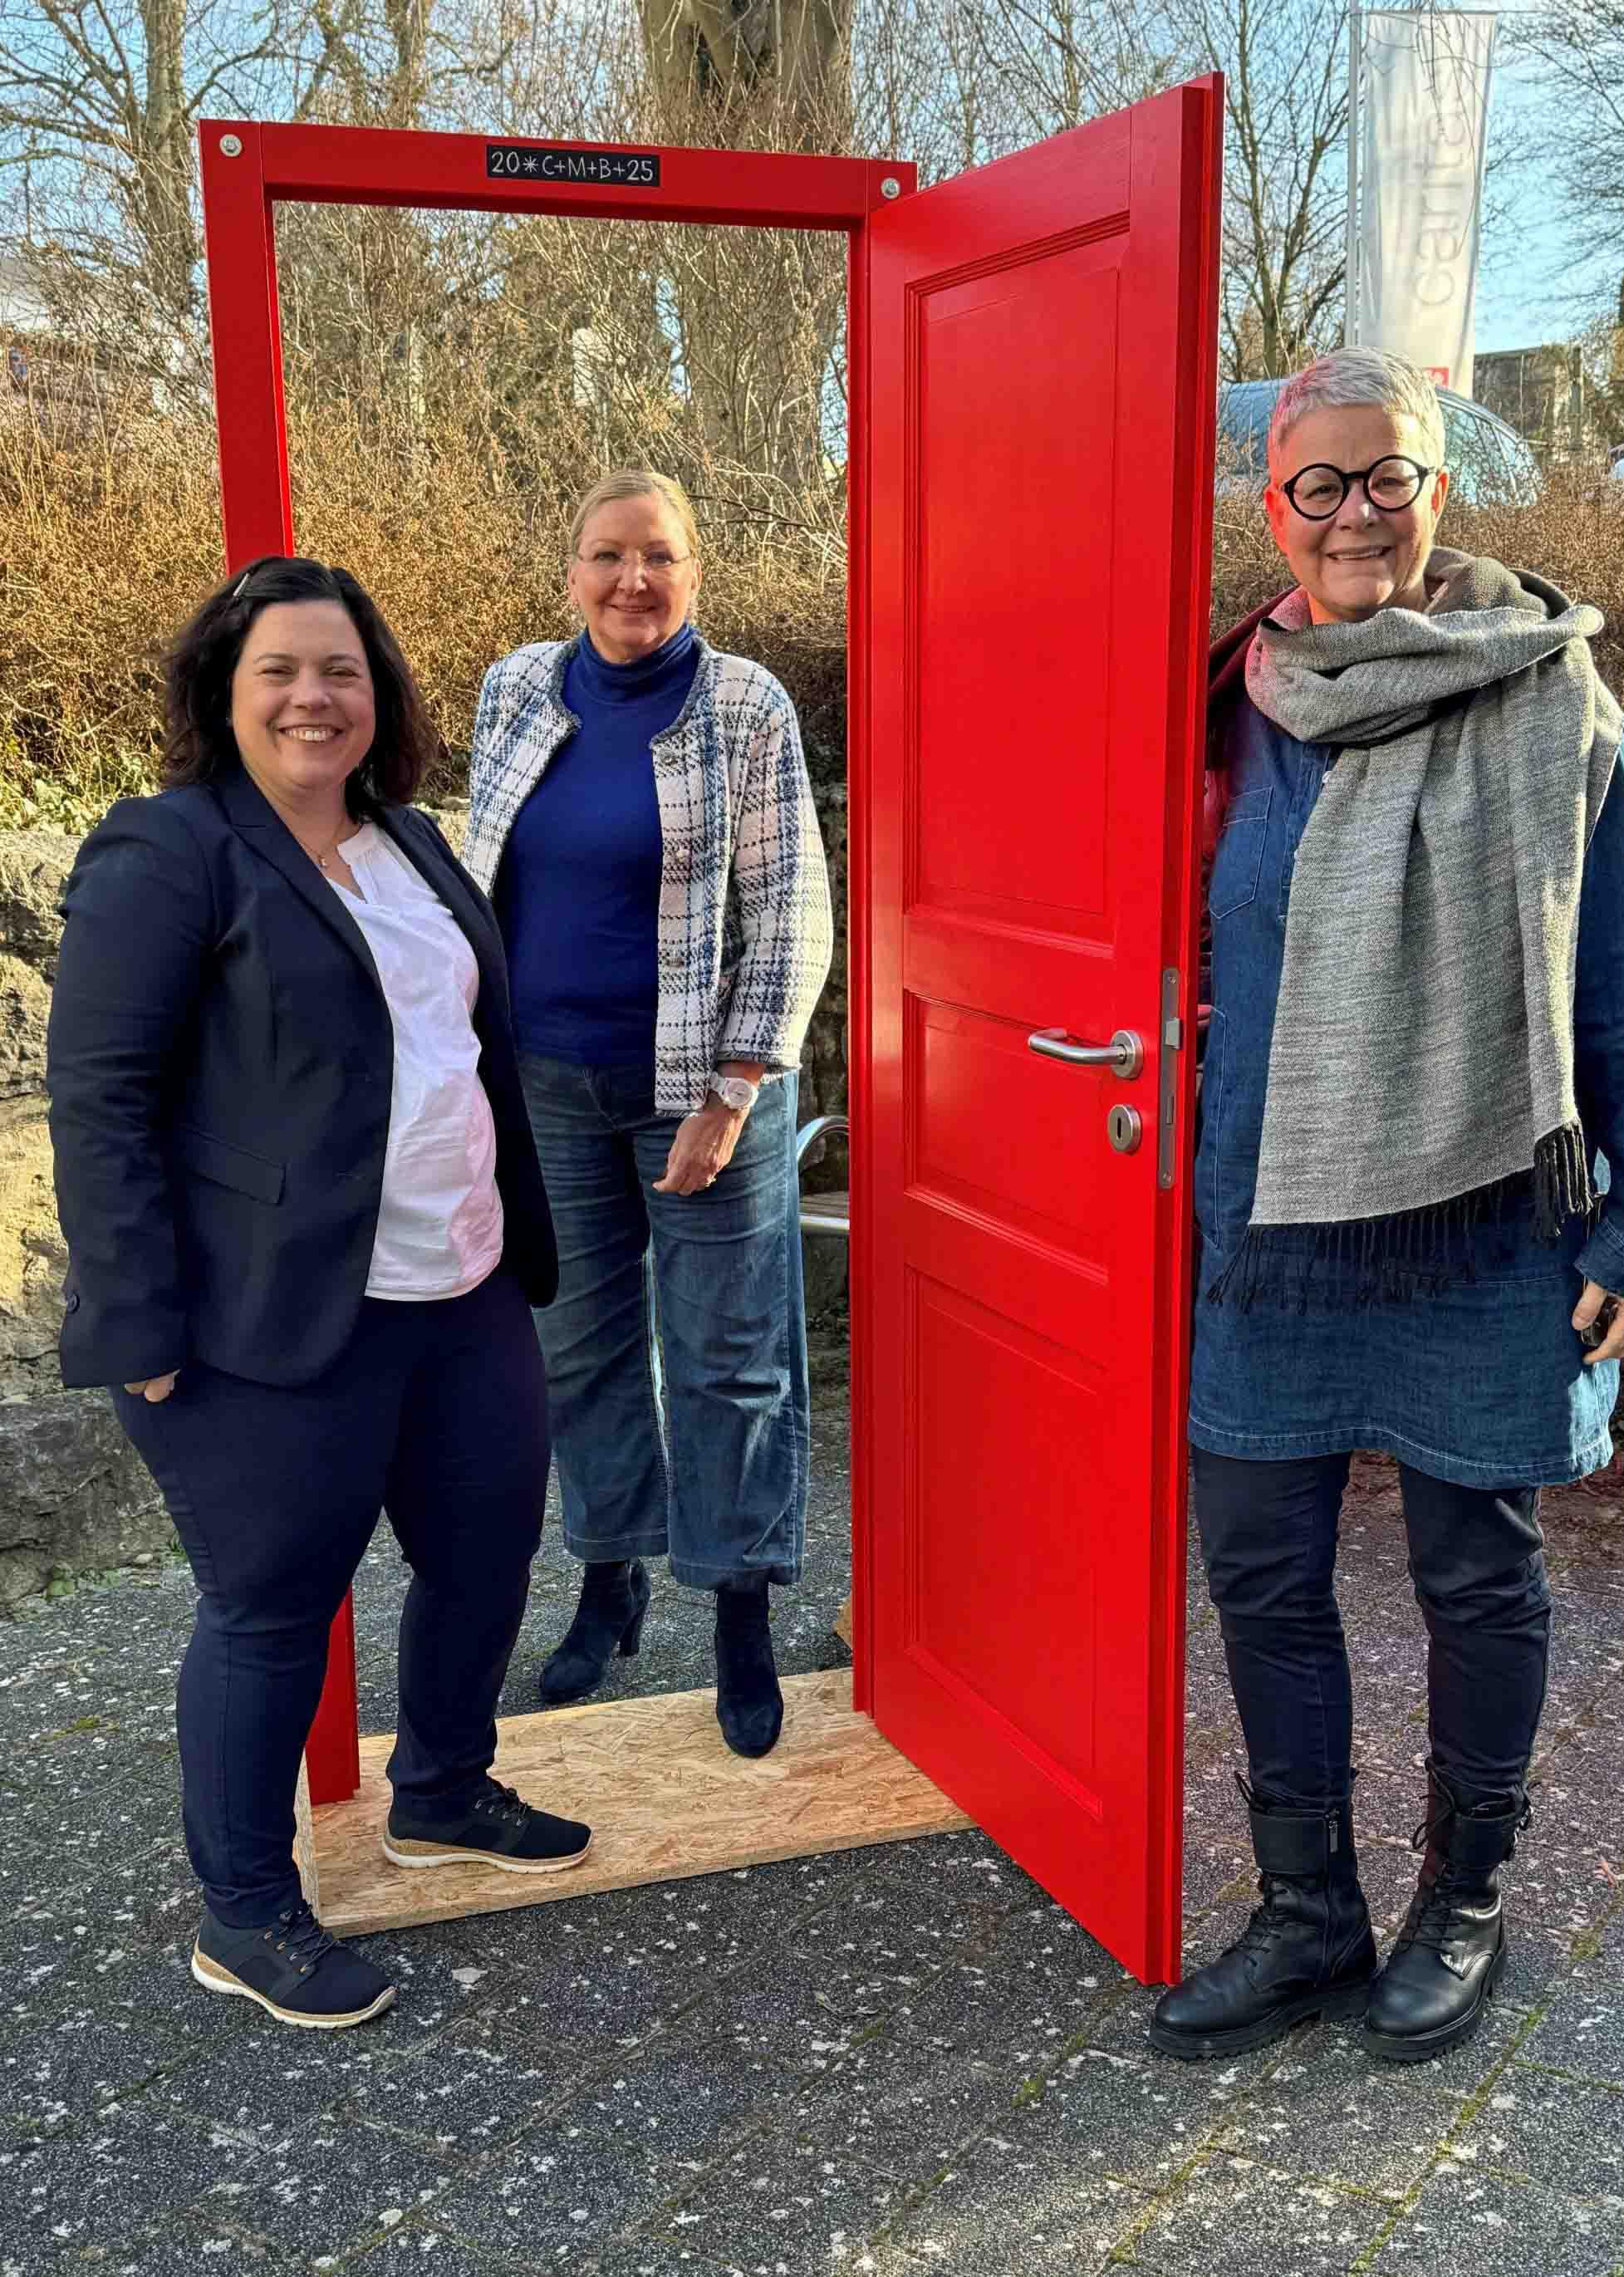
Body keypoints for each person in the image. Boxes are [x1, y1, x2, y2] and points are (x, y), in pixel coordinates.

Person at [1149, 349, 1624, 2067]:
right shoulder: (1223, 696)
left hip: (1482, 1217)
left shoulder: (1549, 699)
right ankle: (1306, 1910)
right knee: (1256, 1569)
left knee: (1477, 1575)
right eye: (1318, 483)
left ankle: (1457, 1901)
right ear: (1273, 509)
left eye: (1384, 476)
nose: (1352, 512)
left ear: (1436, 489)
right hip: (1271, 1217)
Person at [47, 557, 592, 2034]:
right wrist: (139, 1319)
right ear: (226, 692)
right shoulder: (170, 851)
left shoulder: (411, 837)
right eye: (280, 668)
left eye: (340, 671)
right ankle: (246, 1910)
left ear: (380, 695)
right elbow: (97, 1099)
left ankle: (443, 1787)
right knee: (272, 1607)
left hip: (460, 1278)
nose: (313, 696)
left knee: (487, 1553)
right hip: (268, 1316)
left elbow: (459, 1045)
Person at [465, 471, 832, 1759]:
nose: (634, 581)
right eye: (608, 556)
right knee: (579, 1350)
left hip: (701, 1088)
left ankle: (739, 1609)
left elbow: (790, 907)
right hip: (545, 1082)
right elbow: (480, 877)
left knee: (731, 1361)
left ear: (695, 571)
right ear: (572, 567)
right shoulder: (515, 687)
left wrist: (737, 1087)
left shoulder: (743, 704)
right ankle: (610, 1577)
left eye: (659, 557)